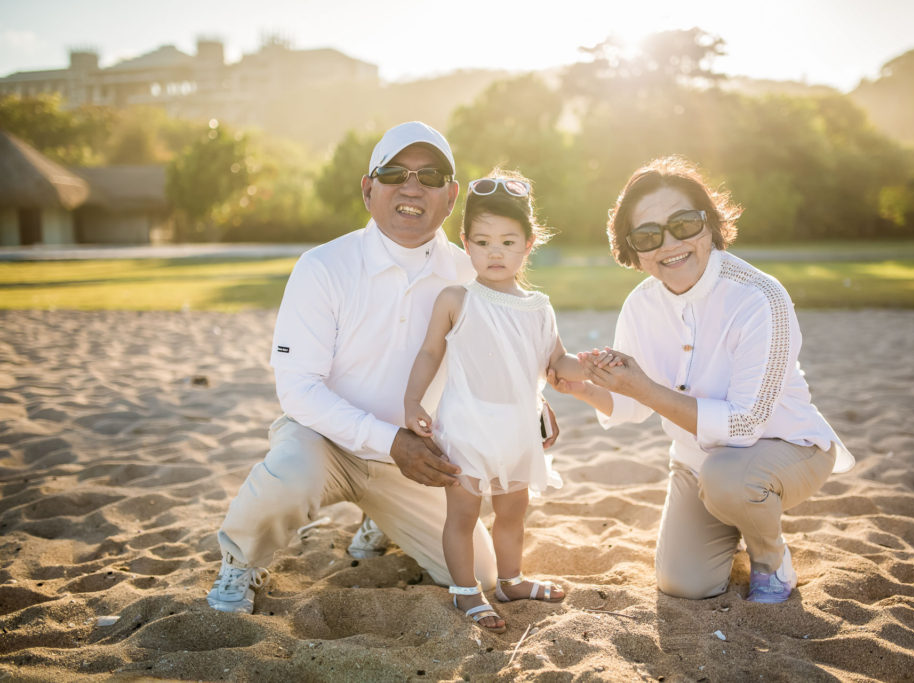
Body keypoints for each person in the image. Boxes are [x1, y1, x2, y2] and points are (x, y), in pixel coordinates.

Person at [206, 122, 558, 614]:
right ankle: (240, 562)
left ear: (451, 196)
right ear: (368, 188)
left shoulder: (471, 271)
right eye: (394, 173)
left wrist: (535, 400)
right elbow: (299, 390)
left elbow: (508, 350)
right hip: (324, 442)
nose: (412, 186)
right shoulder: (322, 266)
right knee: (287, 477)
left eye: (431, 176)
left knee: (480, 573)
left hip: (417, 457)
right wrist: (389, 439)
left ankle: (381, 519)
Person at [549, 156, 854, 604]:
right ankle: (733, 521)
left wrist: (645, 388)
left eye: (684, 224)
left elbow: (745, 425)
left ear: (710, 224)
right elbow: (633, 403)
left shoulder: (759, 297)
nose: (669, 243)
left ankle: (770, 559)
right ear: (633, 251)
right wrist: (585, 389)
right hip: (697, 464)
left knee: (729, 480)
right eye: (648, 235)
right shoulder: (640, 305)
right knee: (683, 583)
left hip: (789, 449)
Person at [404, 170, 578, 633]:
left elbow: (554, 360)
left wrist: (591, 371)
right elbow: (428, 353)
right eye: (482, 242)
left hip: (518, 431)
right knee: (462, 513)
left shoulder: (538, 306)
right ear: (465, 243)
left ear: (528, 242)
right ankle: (465, 593)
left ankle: (511, 580)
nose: (494, 252)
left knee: (512, 512)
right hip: (467, 427)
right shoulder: (457, 299)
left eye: (506, 241)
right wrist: (412, 401)